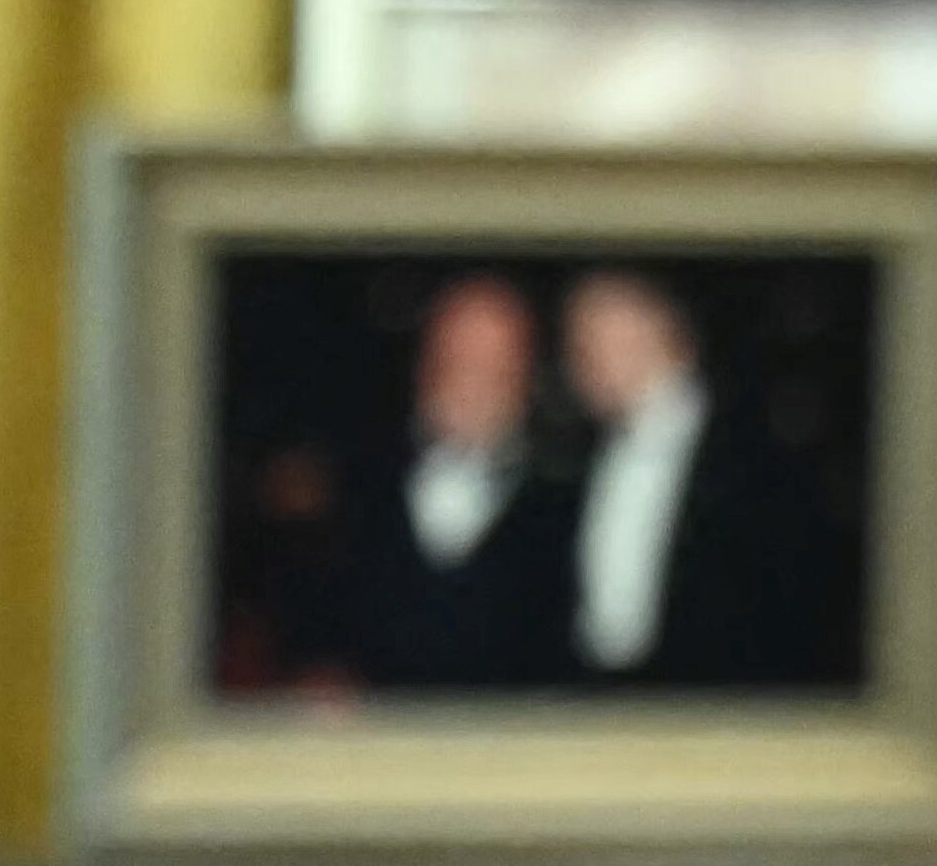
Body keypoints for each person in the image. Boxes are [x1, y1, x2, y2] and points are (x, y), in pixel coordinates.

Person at [561, 269, 862, 696]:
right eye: (579, 344)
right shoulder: (575, 462)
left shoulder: (755, 455)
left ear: (665, 332)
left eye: (600, 339)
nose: (582, 362)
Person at [326, 270, 580, 697]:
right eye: (457, 357)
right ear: (425, 364)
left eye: (497, 364)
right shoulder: (353, 480)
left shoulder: (570, 505)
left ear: (527, 377)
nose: (474, 381)